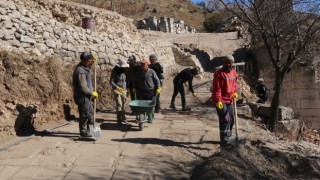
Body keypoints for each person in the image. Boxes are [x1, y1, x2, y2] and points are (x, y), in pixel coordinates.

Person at [211, 55, 238, 146]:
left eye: (230, 63)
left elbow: (234, 85)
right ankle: (224, 140)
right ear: (224, 63)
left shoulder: (234, 73)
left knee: (231, 119)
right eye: (227, 62)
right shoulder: (219, 73)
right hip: (221, 100)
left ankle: (228, 136)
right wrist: (218, 100)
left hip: (230, 99)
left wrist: (235, 92)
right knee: (225, 119)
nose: (228, 64)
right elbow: (216, 88)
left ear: (232, 63)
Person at [72, 52, 98, 137]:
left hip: (87, 96)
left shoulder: (85, 67)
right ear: (83, 61)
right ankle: (83, 131)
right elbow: (83, 87)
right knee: (85, 114)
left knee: (90, 114)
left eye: (90, 61)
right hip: (82, 96)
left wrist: (93, 62)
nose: (89, 63)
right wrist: (92, 93)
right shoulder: (80, 71)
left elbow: (89, 66)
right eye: (88, 61)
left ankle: (91, 130)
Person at [110, 59, 129, 126]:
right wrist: (117, 87)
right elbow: (111, 81)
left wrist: (128, 88)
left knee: (124, 104)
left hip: (124, 89)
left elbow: (127, 80)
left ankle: (123, 117)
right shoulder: (114, 71)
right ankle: (118, 120)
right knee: (119, 105)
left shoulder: (125, 70)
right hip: (117, 90)